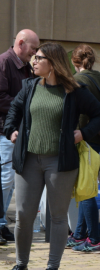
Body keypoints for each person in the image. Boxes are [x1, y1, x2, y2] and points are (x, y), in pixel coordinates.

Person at [3, 42, 100, 270]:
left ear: (53, 64)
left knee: (58, 217)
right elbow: (14, 110)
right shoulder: (29, 86)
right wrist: (11, 130)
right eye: (35, 57)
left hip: (59, 163)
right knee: (23, 215)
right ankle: (21, 266)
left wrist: (83, 133)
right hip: (28, 160)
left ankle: (52, 269)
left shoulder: (75, 90)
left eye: (39, 58)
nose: (34, 61)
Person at [65, 44, 100, 253]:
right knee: (86, 188)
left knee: (86, 190)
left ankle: (94, 239)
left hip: (84, 139)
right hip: (99, 141)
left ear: (75, 62)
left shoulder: (78, 81)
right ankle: (79, 235)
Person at [0, 29, 39, 243]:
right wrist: (24, 103)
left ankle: (1, 223)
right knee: (5, 180)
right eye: (33, 49)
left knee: (9, 181)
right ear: (21, 43)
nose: (34, 54)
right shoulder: (4, 62)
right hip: (5, 131)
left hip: (16, 131)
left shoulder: (25, 67)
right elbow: (0, 98)